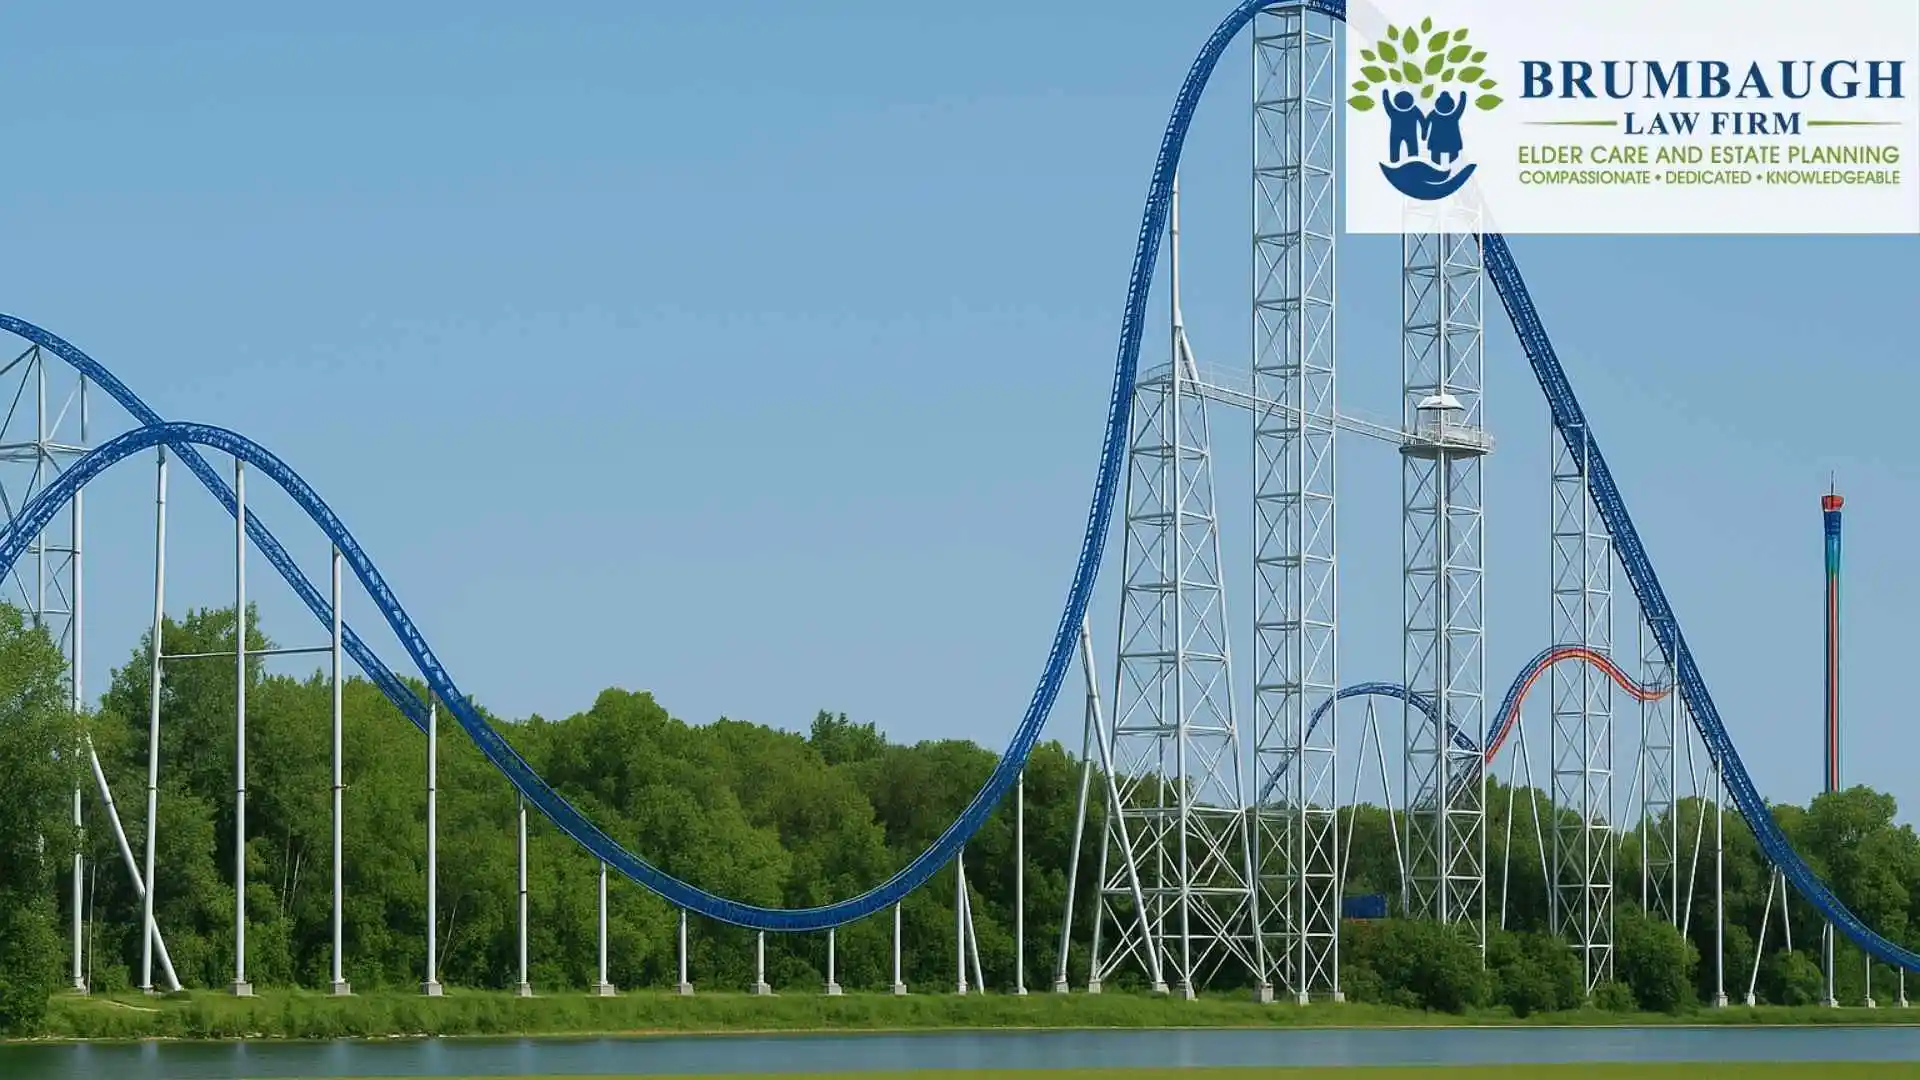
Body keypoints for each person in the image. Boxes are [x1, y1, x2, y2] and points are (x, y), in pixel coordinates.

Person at [1382, 89, 1425, 163]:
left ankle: (1394, 164)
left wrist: (1385, 95)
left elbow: (1387, 104)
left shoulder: (1393, 111)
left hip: (1395, 134)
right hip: (1411, 134)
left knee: (1394, 152)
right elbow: (1422, 121)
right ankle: (1414, 165)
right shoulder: (1415, 110)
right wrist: (1423, 134)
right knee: (1413, 152)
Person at [1426, 91, 1465, 167]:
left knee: (1435, 159)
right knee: (1453, 157)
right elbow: (1461, 107)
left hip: (1436, 142)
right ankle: (1448, 169)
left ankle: (1439, 170)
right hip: (1452, 143)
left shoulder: (1433, 114)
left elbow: (1426, 123)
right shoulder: (1455, 114)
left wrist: (1424, 134)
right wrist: (1463, 97)